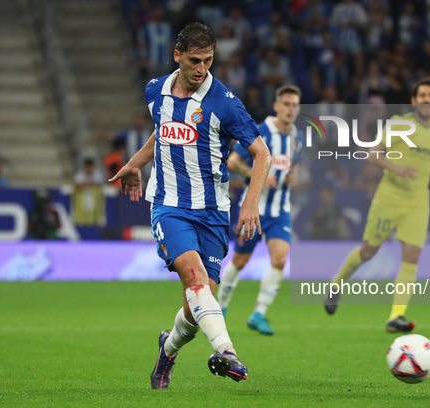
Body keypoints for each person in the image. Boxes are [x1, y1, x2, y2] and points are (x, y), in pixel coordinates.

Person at [109, 22, 271, 390]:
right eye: (195, 61)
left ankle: (167, 349)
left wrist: (250, 203)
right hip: (169, 206)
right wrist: (136, 162)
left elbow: (262, 154)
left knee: (198, 305)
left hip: (214, 211)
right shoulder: (155, 91)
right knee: (195, 281)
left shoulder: (224, 104)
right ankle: (228, 352)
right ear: (177, 56)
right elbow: (162, 129)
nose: (201, 69)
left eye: (209, 61)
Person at [324, 79, 430, 332]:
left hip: (418, 203)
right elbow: (372, 153)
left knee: (411, 256)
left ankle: (396, 317)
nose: (427, 100)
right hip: (389, 199)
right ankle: (336, 283)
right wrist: (397, 168)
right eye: (422, 96)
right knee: (368, 251)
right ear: (414, 101)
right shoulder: (399, 124)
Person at [216, 85, 303, 336]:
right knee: (240, 260)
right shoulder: (263, 131)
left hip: (279, 211)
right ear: (276, 106)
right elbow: (233, 162)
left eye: (294, 105)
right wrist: (261, 176)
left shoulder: (298, 138)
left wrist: (292, 177)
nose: (290, 109)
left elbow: (293, 166)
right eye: (286, 104)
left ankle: (258, 313)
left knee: (280, 259)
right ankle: (220, 307)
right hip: (254, 208)